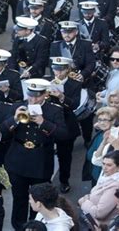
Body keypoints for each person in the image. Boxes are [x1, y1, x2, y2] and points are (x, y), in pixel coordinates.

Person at [0, 78, 67, 229]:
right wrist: (14, 119)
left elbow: (63, 135)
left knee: (39, 199)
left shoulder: (54, 110)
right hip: (18, 159)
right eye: (31, 95)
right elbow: (2, 133)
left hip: (40, 160)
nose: (33, 99)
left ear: (45, 95)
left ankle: (35, 226)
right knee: (19, 198)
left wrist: (43, 123)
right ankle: (18, 226)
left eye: (37, 96)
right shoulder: (18, 106)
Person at [47, 57, 82, 193]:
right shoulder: (47, 82)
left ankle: (64, 180)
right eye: (55, 69)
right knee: (47, 154)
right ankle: (47, 180)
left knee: (65, 156)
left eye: (61, 69)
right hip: (48, 122)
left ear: (67, 70)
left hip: (66, 123)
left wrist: (62, 96)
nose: (57, 73)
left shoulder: (75, 84)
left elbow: (75, 105)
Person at [79, 151, 119, 226]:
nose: (104, 168)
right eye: (103, 164)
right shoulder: (108, 177)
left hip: (100, 226)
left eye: (109, 165)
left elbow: (99, 213)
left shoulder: (116, 186)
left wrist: (84, 202)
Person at [83, 107, 119, 186]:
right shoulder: (100, 134)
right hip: (96, 175)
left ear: (113, 121)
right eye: (100, 120)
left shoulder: (117, 137)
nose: (102, 123)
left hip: (108, 179)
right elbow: (90, 156)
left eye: (105, 120)